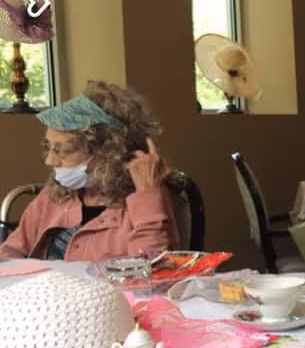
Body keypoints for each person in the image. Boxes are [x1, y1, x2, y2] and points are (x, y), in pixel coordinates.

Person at [0, 81, 180, 261]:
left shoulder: (148, 201)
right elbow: (11, 251)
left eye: (63, 150)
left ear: (107, 153)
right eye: (49, 147)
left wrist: (147, 194)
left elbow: (152, 273)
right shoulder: (53, 196)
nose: (49, 160)